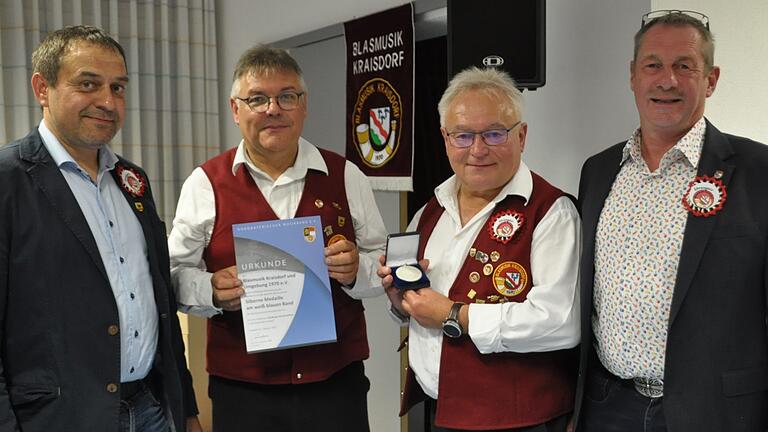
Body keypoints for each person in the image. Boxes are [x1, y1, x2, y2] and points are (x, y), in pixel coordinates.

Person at [168, 45, 388, 431]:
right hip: (244, 391)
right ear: (236, 110)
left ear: (303, 106)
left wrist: (357, 270)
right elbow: (172, 273)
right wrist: (212, 291)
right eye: (257, 99)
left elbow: (383, 260)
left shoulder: (345, 175)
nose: (274, 109)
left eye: (287, 96)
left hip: (335, 384)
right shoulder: (205, 183)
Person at [574, 10, 768, 432]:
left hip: (715, 413)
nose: (667, 80)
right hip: (606, 406)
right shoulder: (599, 171)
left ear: (711, 79)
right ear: (632, 76)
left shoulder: (759, 170)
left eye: (685, 66)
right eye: (653, 65)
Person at [0, 25, 200, 431]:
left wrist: (187, 411)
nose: (107, 102)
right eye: (88, 84)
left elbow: (158, 301)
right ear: (43, 88)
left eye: (118, 87)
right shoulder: (9, 181)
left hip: (151, 409)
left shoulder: (132, 181)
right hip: (57, 418)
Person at [379, 67, 581, 432]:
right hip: (439, 412)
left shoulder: (552, 211)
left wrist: (455, 314)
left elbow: (559, 323)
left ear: (522, 135)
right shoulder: (430, 211)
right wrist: (399, 300)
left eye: (493, 133)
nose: (477, 149)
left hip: (517, 421)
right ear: (444, 138)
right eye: (463, 135)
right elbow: (422, 308)